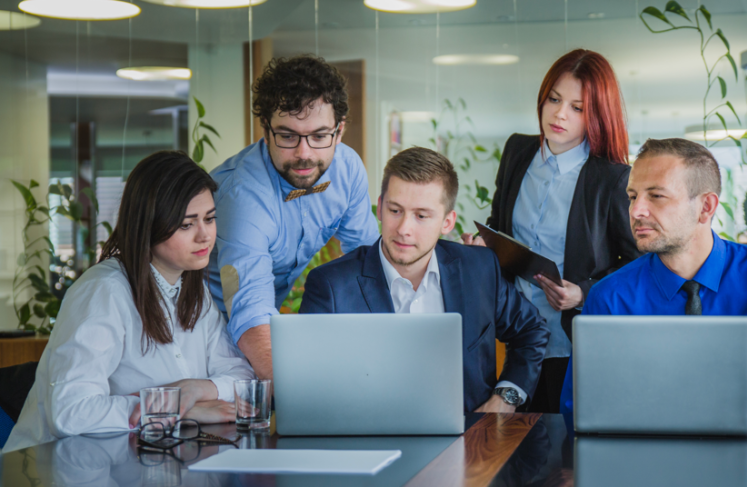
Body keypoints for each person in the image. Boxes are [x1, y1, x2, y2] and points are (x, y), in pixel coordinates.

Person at [560, 137, 747, 415]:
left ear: (706, 207)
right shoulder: (610, 299)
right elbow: (583, 407)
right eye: (633, 197)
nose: (636, 211)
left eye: (656, 196)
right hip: (652, 447)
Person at [3, 152, 255, 453]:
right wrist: (174, 409)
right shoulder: (103, 291)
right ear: (149, 224)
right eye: (186, 225)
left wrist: (197, 389)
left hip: (142, 458)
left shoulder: (194, 290)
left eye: (210, 219)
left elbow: (242, 378)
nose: (205, 236)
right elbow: (70, 413)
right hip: (50, 465)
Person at [300, 147, 550, 413]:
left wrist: (506, 398)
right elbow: (308, 383)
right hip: (370, 435)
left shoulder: (480, 268)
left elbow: (531, 331)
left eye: (421, 216)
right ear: (380, 207)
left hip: (470, 435)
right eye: (395, 210)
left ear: (447, 222)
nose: (404, 229)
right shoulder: (330, 286)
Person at [462, 49, 641, 413]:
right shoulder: (517, 150)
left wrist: (583, 293)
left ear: (597, 115)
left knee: (561, 440)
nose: (560, 114)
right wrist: (484, 244)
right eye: (554, 99)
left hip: (570, 342)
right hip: (510, 334)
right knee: (505, 436)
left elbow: (637, 263)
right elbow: (499, 222)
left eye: (577, 108)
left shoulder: (611, 179)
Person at [208, 54, 380, 380]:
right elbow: (250, 310)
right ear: (266, 129)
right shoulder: (242, 197)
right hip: (208, 333)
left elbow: (368, 264)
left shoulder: (347, 170)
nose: (304, 154)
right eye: (288, 136)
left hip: (269, 327)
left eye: (319, 136)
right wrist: (297, 395)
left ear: (339, 131)